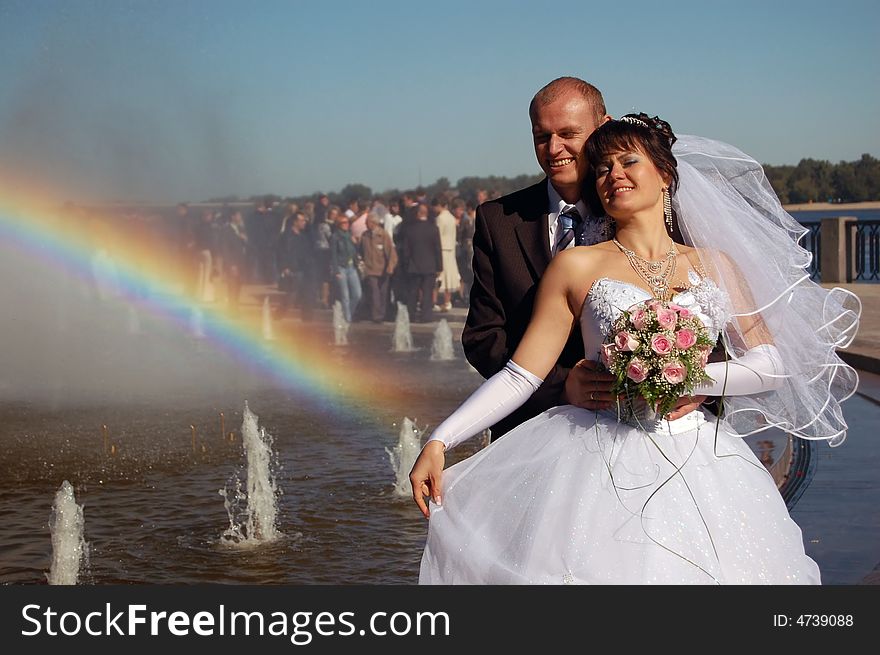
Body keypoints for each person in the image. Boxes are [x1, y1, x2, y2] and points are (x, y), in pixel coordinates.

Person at [410, 114, 860, 584]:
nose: (613, 176)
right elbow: (521, 374)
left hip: (702, 459)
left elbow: (769, 363)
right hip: (598, 461)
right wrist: (442, 439)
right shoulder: (576, 266)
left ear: (665, 174)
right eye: (602, 168)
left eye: (628, 162)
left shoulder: (714, 264)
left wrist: (687, 378)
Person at [463, 77, 703, 439]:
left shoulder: (649, 205)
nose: (553, 148)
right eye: (541, 136)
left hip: (649, 431)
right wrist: (562, 386)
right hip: (531, 432)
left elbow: (714, 324)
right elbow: (483, 338)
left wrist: (698, 384)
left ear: (602, 127)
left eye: (568, 134)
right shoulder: (497, 220)